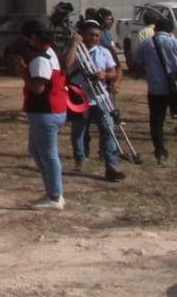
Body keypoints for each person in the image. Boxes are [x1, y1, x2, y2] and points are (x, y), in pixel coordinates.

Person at [64, 18, 125, 182]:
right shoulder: (75, 49)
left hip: (100, 97)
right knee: (79, 131)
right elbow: (67, 66)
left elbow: (113, 71)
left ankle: (111, 166)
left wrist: (104, 75)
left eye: (97, 35)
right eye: (91, 34)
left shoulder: (103, 52)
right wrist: (74, 45)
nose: (94, 38)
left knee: (108, 130)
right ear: (83, 34)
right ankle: (80, 159)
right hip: (79, 96)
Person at [17, 19, 68, 209]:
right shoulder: (53, 53)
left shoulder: (41, 58)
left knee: (48, 153)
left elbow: (38, 87)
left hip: (45, 110)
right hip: (53, 109)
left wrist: (23, 72)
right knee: (37, 150)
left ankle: (55, 196)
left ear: (33, 38)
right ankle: (52, 192)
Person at [132, 11, 177, 165]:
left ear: (155, 29)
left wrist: (146, 72)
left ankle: (160, 153)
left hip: (155, 89)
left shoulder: (146, 44)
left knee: (157, 122)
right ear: (170, 30)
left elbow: (136, 61)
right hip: (174, 88)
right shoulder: (173, 42)